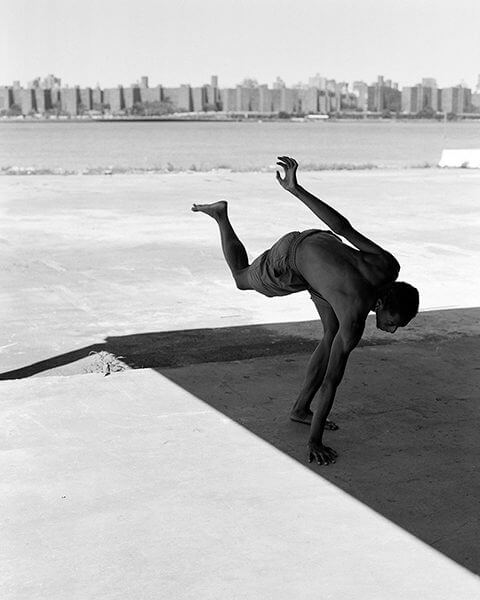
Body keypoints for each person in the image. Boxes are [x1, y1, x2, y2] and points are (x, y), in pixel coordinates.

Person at [192, 156, 419, 466]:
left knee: (329, 334)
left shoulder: (387, 266)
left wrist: (296, 189)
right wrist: (315, 441)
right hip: (290, 260)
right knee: (241, 279)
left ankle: (300, 409)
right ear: (384, 306)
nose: (391, 330)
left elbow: (342, 227)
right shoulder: (353, 318)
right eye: (395, 323)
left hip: (321, 242)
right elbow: (332, 382)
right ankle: (221, 216)